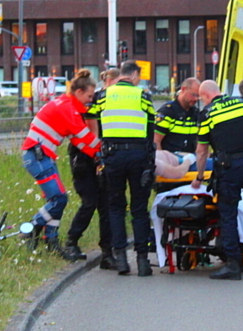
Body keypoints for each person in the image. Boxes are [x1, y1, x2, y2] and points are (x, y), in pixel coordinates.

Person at [191, 80, 243, 281]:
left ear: (205, 96)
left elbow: (202, 151)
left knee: (228, 215)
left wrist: (199, 176)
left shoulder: (207, 114)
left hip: (230, 168)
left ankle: (233, 265)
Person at [21, 69, 102, 259]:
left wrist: (97, 154)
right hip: (38, 156)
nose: (90, 100)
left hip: (43, 156)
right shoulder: (67, 109)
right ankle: (31, 228)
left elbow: (78, 141)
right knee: (59, 199)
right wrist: (104, 151)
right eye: (89, 96)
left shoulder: (67, 106)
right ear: (79, 92)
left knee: (56, 200)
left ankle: (51, 240)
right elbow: (84, 136)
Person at [85, 60, 156, 276]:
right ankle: (142, 261)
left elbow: (91, 118)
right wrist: (150, 160)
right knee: (139, 209)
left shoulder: (103, 95)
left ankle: (122, 259)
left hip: (113, 156)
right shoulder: (143, 96)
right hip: (138, 156)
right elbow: (150, 127)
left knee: (116, 207)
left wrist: (100, 146)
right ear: (134, 75)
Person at [155, 77, 202, 154]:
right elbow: (156, 141)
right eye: (193, 95)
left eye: (198, 96)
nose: (196, 99)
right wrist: (162, 159)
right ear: (183, 89)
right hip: (170, 158)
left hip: (190, 158)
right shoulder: (167, 112)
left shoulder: (196, 113)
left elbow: (199, 142)